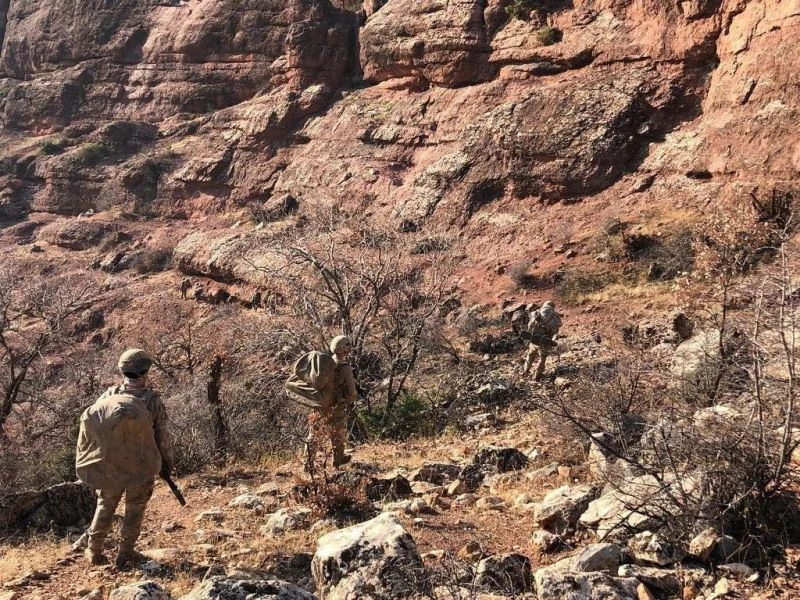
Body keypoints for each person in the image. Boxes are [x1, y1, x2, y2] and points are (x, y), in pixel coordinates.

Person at [74, 349, 173, 570]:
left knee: (105, 505)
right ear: (146, 371)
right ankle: (125, 554)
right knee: (135, 508)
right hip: (140, 466)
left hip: (110, 465)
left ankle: (94, 550)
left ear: (122, 370)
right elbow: (162, 437)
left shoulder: (107, 396)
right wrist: (166, 463)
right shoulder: (151, 401)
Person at [523, 301, 562, 381]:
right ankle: (537, 375)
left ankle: (526, 370)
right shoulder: (556, 317)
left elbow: (530, 325)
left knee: (530, 354)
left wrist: (531, 333)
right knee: (542, 358)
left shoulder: (536, 313)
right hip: (546, 341)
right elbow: (556, 330)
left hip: (535, 338)